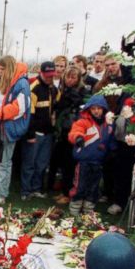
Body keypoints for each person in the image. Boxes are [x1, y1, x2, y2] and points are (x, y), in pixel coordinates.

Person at [0, 56, 31, 201]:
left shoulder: (21, 84)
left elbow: (18, 108)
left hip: (6, 126)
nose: (0, 71)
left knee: (1, 162)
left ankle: (0, 194)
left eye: (3, 69)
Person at [68, 95, 113, 215]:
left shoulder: (107, 124)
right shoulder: (83, 122)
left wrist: (112, 150)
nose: (96, 111)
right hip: (84, 161)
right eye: (93, 108)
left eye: (99, 108)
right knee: (80, 185)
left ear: (104, 109)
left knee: (94, 187)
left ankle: (88, 210)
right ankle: (75, 209)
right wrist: (78, 138)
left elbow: (110, 139)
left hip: (98, 161)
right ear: (89, 109)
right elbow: (75, 131)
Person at [22, 61, 61, 199]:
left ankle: (36, 188)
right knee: (29, 163)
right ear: (41, 73)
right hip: (35, 133)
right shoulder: (33, 88)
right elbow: (29, 114)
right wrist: (30, 134)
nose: (50, 78)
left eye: (52, 75)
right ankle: (26, 191)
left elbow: (56, 107)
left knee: (42, 163)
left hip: (48, 133)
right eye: (48, 75)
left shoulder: (54, 89)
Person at [51, 66, 88, 203]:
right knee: (62, 162)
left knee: (70, 164)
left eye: (73, 77)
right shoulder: (63, 90)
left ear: (79, 79)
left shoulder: (81, 93)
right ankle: (64, 191)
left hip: (74, 131)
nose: (70, 80)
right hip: (63, 131)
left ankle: (68, 193)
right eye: (68, 77)